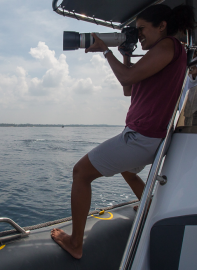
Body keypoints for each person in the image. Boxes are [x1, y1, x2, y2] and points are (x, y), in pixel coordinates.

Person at [51, 4, 195, 259]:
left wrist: (106, 51)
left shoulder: (168, 45)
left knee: (80, 172)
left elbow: (127, 80)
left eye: (142, 30)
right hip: (149, 136)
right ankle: (149, 207)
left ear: (162, 26)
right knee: (128, 171)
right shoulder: (165, 54)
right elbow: (129, 88)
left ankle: (75, 243)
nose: (139, 35)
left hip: (142, 137)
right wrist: (126, 55)